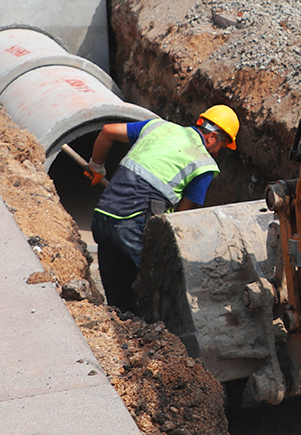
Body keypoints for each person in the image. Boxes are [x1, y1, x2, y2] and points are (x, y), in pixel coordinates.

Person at [86, 104, 239, 314]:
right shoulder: (204, 165)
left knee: (118, 302)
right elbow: (179, 221)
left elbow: (108, 131)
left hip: (103, 215)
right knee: (162, 287)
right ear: (212, 137)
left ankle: (122, 331)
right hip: (133, 226)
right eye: (221, 146)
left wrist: (96, 166)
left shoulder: (157, 126)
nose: (218, 151)